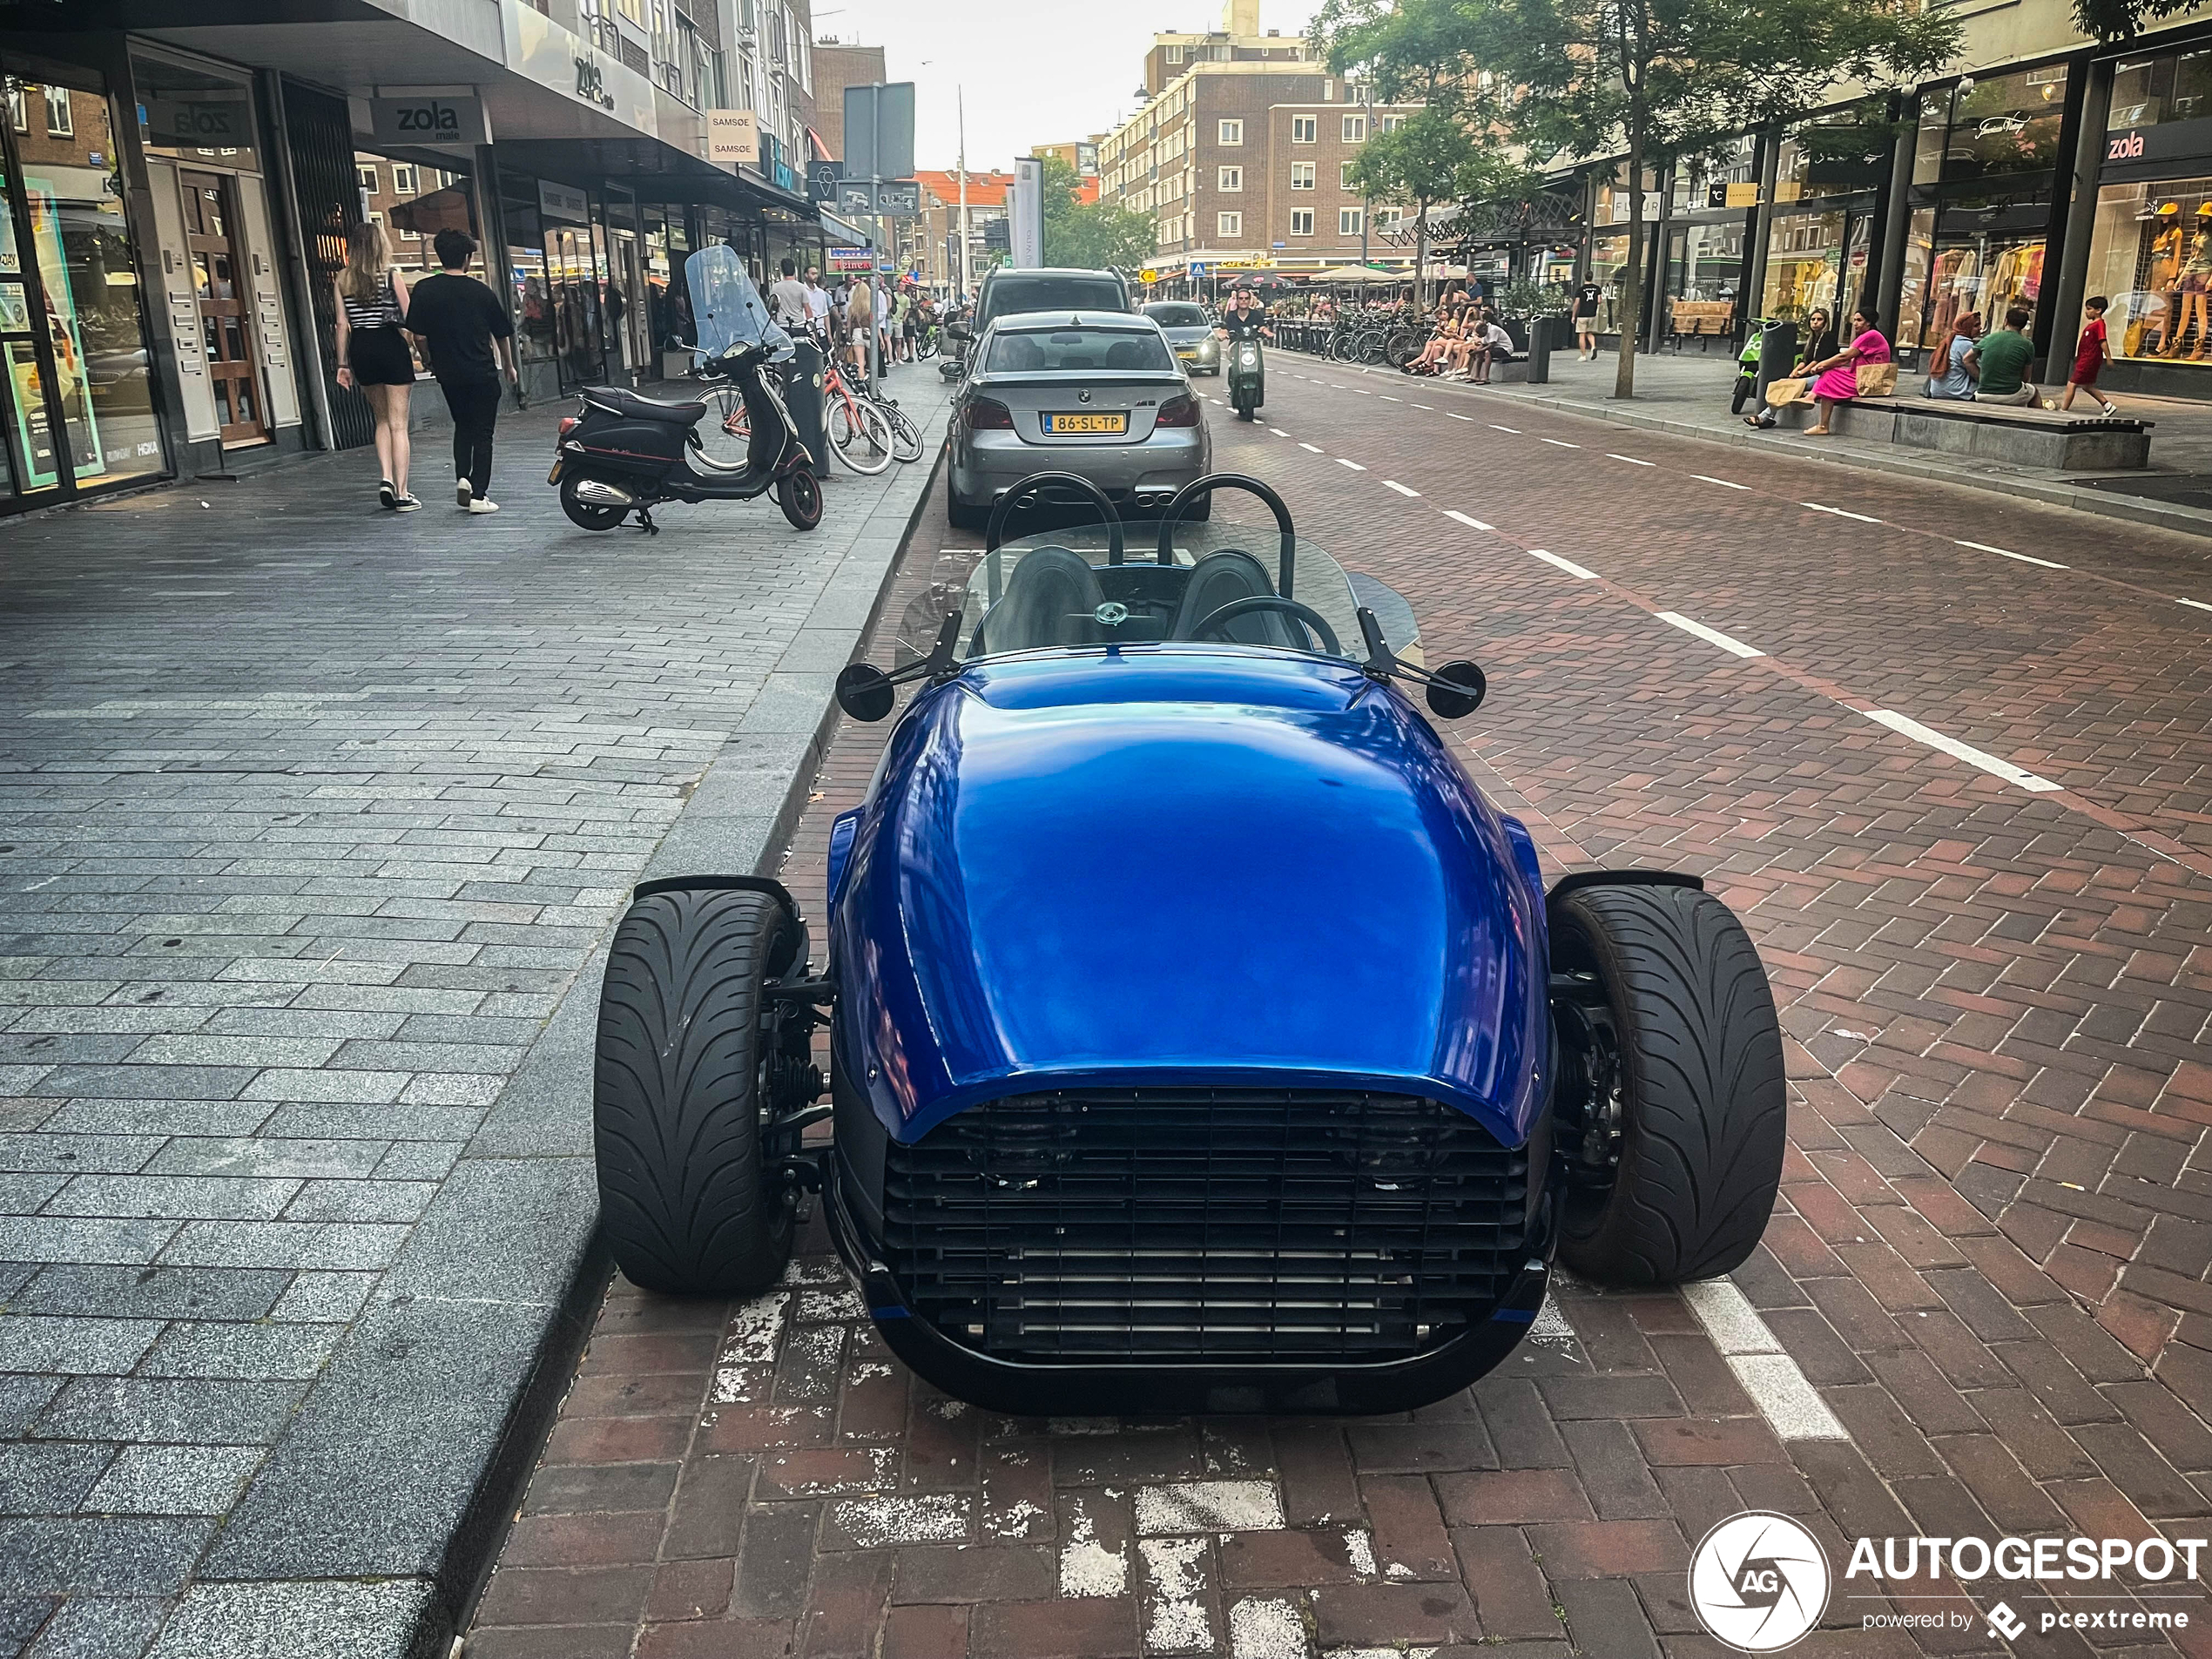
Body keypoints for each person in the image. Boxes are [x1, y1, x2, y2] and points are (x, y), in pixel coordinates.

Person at [404, 227, 518, 514]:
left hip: (449, 373)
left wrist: (428, 359)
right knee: (483, 432)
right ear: (467, 258)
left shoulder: (425, 289)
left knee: (463, 426)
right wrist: (509, 366)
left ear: (440, 256)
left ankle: (463, 478)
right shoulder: (481, 292)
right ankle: (480, 495)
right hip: (481, 371)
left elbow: (417, 335)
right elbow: (502, 332)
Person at [332, 220, 420, 511]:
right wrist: (420, 347)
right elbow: (411, 318)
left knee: (381, 420)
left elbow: (342, 324)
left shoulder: (342, 279)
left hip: (362, 348)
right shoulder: (391, 275)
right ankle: (403, 492)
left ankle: (385, 478)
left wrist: (343, 364)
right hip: (390, 345)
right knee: (399, 424)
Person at [1800, 307, 1890, 436]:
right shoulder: (1868, 336)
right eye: (1854, 320)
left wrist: (1822, 365)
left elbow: (1844, 357)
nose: (1855, 324)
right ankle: (1820, 420)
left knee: (1829, 375)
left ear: (1868, 322)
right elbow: (1845, 361)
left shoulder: (1871, 335)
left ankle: (1814, 405)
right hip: (1862, 377)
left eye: (1859, 320)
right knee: (1829, 376)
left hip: (1869, 381)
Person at [1743, 307, 1838, 428]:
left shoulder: (1828, 337)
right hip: (1813, 374)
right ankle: (1767, 416)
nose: (1815, 322)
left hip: (1825, 376)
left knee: (1790, 387)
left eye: (1819, 320)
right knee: (1783, 383)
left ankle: (1764, 416)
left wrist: (1802, 372)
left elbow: (1817, 360)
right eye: (1813, 319)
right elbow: (1806, 360)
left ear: (1825, 322)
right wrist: (1795, 371)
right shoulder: (1812, 339)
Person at [2059, 296, 2118, 415]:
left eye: (2089, 309)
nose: (2087, 312)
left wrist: (2109, 358)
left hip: (2089, 359)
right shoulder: (2093, 325)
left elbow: (2103, 341)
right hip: (2085, 358)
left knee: (2072, 383)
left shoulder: (2099, 325)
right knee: (2087, 385)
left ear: (2098, 310)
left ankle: (2063, 409)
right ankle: (2107, 405)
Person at [1968, 307, 2038, 406]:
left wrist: (1980, 378)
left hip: (1982, 394)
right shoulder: (2027, 344)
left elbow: (1967, 359)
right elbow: (2026, 377)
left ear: (2005, 321)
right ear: (2023, 326)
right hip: (2011, 394)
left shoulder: (1989, 338)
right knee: (2033, 392)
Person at [1925, 310, 1981, 401]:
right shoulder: (1965, 345)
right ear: (1967, 327)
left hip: (1937, 392)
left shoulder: (1949, 340)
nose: (1980, 328)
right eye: (1976, 325)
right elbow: (1978, 370)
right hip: (1958, 392)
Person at [768, 257, 807, 328]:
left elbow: (772, 308)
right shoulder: (802, 287)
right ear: (794, 270)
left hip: (782, 325)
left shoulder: (775, 287)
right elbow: (808, 310)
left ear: (782, 270)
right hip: (799, 325)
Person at [1572, 277, 1603, 361]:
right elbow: (1599, 300)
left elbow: (1577, 303)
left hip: (1582, 314)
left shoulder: (1580, 290)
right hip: (1592, 314)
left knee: (1582, 334)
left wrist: (1573, 316)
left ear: (1584, 277)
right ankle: (1593, 347)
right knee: (1589, 333)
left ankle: (1583, 355)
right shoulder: (1597, 288)